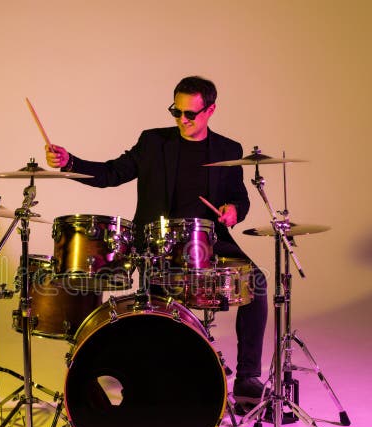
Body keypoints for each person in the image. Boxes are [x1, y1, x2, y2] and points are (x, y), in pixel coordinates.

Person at [45, 75, 268, 410]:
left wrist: (234, 211)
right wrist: (71, 163)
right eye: (175, 112)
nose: (181, 120)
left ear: (211, 110)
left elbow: (240, 199)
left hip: (209, 240)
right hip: (158, 245)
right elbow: (111, 174)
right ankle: (165, 377)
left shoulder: (228, 150)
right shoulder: (152, 142)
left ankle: (249, 376)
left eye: (190, 114)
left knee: (258, 283)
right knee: (157, 313)